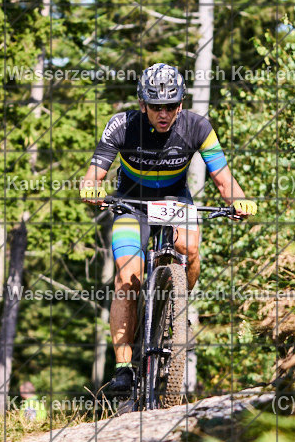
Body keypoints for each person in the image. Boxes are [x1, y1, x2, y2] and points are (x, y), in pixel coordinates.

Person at [79, 63, 256, 398]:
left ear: (181, 104)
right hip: (132, 203)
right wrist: (91, 190)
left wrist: (240, 201)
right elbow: (93, 175)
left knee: (189, 248)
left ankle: (177, 306)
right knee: (127, 277)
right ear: (143, 104)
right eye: (156, 106)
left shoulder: (198, 127)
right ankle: (123, 369)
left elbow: (223, 178)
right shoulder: (122, 125)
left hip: (175, 199)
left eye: (171, 106)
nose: (163, 114)